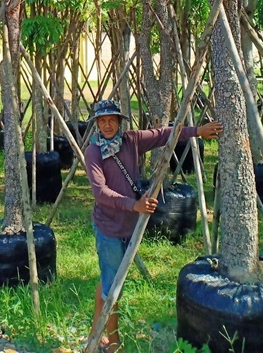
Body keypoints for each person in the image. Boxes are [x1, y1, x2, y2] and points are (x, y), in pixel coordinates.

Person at [84, 99, 224, 353]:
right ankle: (111, 342)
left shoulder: (132, 140)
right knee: (112, 286)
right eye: (102, 121)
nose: (106, 125)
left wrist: (197, 131)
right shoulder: (94, 152)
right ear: (96, 124)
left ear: (119, 121)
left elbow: (164, 134)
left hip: (129, 226)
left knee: (110, 280)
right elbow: (100, 192)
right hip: (109, 226)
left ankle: (96, 330)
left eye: (111, 119)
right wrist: (133, 204)